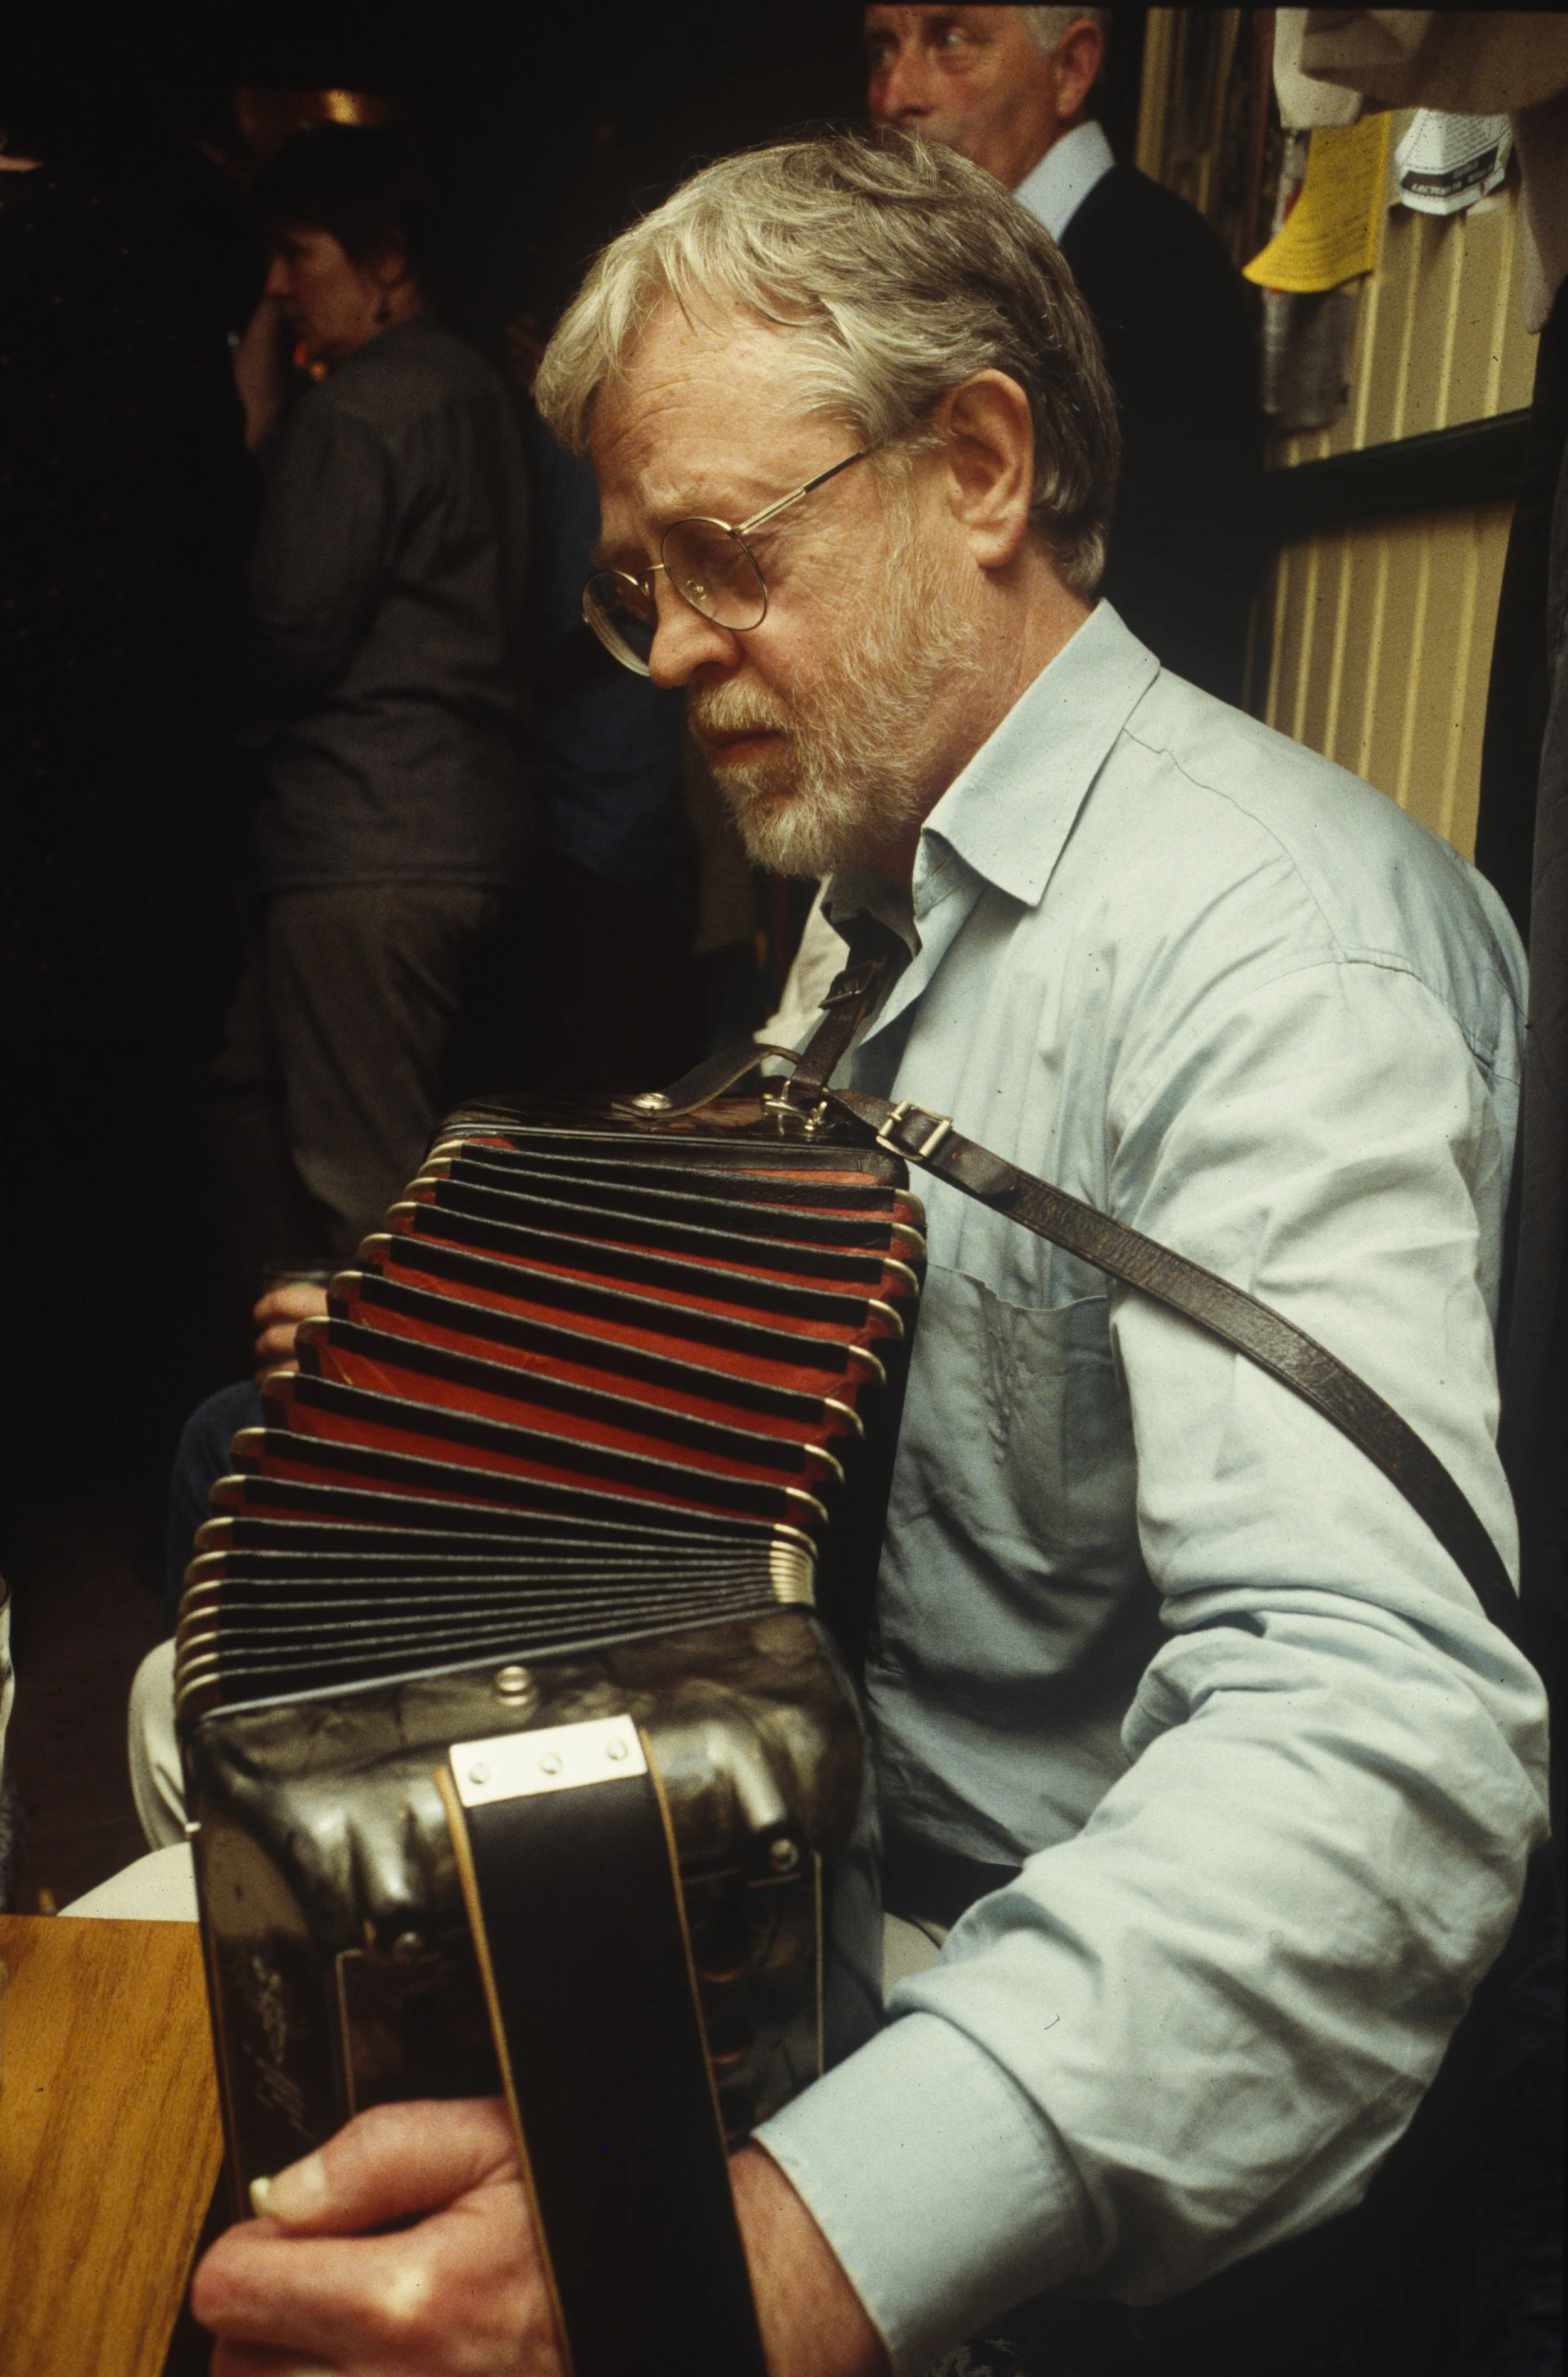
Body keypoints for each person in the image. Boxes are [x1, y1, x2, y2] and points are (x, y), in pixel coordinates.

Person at [184, 132, 1546, 2376]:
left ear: (980, 465)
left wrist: (769, 2260)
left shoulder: (1272, 948)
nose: (670, 653)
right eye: (636, 589)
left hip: (1028, 2042)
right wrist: (485, 1341)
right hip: (808, 1873)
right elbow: (807, 1248)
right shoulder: (880, 865)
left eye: (721, 553)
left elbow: (1378, 1750)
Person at [202, 123, 536, 1295]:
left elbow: (281, 638)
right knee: (284, 1101)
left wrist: (248, 452)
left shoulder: (357, 414)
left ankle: (386, 1448)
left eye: (300, 256)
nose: (280, 288)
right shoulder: (478, 390)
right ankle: (285, 1395)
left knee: (367, 1189)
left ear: (387, 258)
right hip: (464, 827)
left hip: (364, 841)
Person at [866, 4, 1263, 704]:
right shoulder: (967, 274)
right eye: (881, 49)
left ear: (1071, 69)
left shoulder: (1156, 268)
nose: (894, 96)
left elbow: (1157, 631)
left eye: (949, 41)